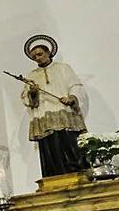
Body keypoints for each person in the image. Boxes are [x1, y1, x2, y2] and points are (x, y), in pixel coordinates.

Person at [14, 34, 88, 177]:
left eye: (40, 54)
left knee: (70, 144)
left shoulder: (63, 68)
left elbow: (75, 85)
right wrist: (33, 92)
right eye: (34, 57)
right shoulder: (32, 75)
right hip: (44, 116)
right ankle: (54, 176)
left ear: (48, 52)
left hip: (64, 113)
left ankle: (78, 173)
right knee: (50, 148)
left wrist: (71, 97)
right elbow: (26, 98)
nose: (37, 58)